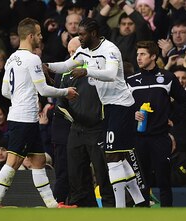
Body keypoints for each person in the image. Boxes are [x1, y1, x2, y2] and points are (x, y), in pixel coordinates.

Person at [45, 17, 144, 208]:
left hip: (121, 104)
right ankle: (139, 202)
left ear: (93, 34)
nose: (79, 38)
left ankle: (119, 208)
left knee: (112, 157)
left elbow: (111, 74)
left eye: (82, 34)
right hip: (108, 106)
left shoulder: (110, 49)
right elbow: (66, 66)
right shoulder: (84, 51)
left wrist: (87, 71)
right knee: (119, 158)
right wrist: (47, 66)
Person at [0, 18, 78, 208]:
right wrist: (65, 92)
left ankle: (52, 205)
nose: (41, 36)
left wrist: (21, 95)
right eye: (38, 34)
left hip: (22, 115)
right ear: (30, 36)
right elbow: (44, 90)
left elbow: (5, 91)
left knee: (38, 160)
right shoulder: (32, 58)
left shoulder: (11, 58)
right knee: (13, 162)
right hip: (24, 118)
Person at [126, 41, 186, 207]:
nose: (138, 57)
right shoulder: (130, 81)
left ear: (153, 56)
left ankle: (167, 216)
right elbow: (121, 106)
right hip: (138, 138)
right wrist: (133, 114)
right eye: (138, 54)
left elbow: (184, 102)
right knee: (141, 181)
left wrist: (173, 119)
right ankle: (142, 216)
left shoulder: (167, 77)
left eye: (143, 54)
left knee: (163, 179)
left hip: (160, 137)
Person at [57, 36, 115, 207]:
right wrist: (76, 120)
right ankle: (81, 205)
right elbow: (61, 105)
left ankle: (110, 205)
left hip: (98, 129)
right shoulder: (66, 75)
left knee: (102, 171)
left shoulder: (99, 70)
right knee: (75, 171)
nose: (72, 56)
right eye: (69, 53)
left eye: (75, 52)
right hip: (76, 129)